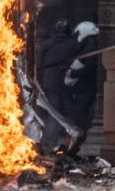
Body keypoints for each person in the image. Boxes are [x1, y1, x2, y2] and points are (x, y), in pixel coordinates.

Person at [38, 18, 79, 153]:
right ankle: (71, 144)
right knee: (69, 114)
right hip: (66, 83)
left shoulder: (47, 44)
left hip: (50, 83)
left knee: (53, 114)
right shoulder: (73, 44)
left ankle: (50, 144)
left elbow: (39, 64)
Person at [64, 19, 99, 155]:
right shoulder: (91, 44)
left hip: (85, 87)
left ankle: (77, 141)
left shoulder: (90, 46)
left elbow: (90, 67)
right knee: (80, 115)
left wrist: (73, 72)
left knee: (79, 115)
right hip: (85, 86)